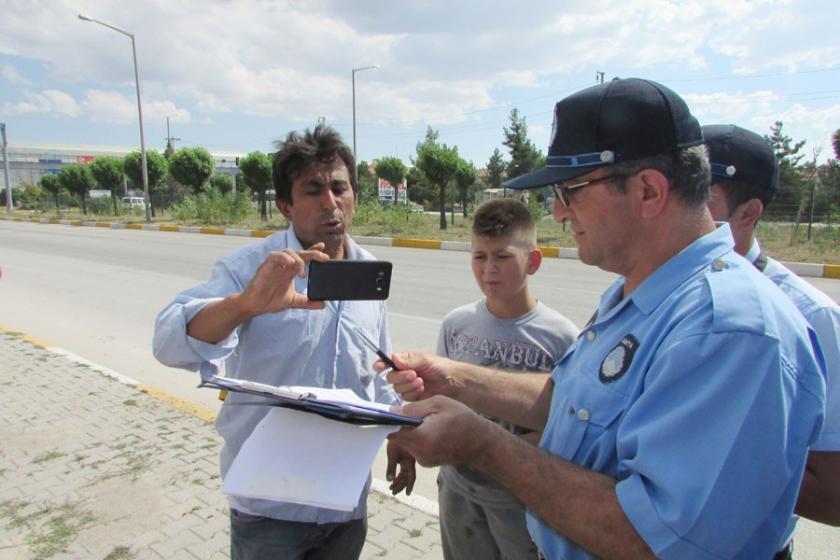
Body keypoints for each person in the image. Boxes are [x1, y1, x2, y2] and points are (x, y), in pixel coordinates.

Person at [383, 78, 826, 559]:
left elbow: (655, 542)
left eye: (570, 191)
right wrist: (458, 379)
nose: (556, 212)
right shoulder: (640, 290)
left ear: (649, 191)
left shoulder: (727, 329)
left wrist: (484, 446)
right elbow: (573, 402)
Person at [153, 124, 414, 560]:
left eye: (339, 188)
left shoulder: (368, 270)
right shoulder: (253, 268)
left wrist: (398, 432)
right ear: (285, 206)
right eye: (313, 190)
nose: (330, 203)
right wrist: (244, 305)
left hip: (343, 500)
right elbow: (168, 342)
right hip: (269, 509)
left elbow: (377, 368)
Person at [703, 124, 840, 540]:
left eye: (700, 201)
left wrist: (696, 457)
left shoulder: (811, 317)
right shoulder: (650, 290)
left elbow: (834, 494)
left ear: (749, 213)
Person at [436, 198, 579, 560]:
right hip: (459, 490)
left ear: (532, 261)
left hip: (523, 500)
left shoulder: (561, 337)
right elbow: (439, 400)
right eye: (478, 256)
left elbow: (569, 423)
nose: (488, 270)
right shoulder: (456, 325)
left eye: (502, 257)